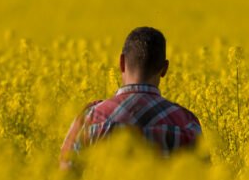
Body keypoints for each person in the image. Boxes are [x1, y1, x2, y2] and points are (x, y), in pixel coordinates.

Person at [60, 27, 202, 170]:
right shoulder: (186, 123)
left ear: (121, 62)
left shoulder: (91, 118)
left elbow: (65, 178)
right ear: (164, 68)